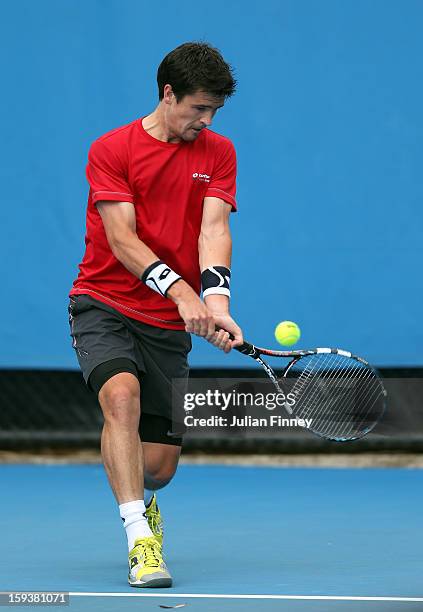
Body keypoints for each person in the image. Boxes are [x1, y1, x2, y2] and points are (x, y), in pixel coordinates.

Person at [68, 41, 243, 588]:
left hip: (167, 325)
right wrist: (179, 291)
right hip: (104, 300)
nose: (206, 120)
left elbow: (213, 230)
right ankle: (138, 538)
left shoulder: (219, 151)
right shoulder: (111, 149)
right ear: (167, 94)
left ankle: (148, 503)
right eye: (198, 108)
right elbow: (122, 239)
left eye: (214, 110)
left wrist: (215, 303)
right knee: (120, 397)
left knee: (158, 470)